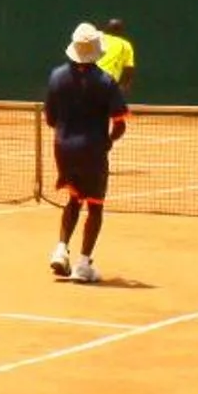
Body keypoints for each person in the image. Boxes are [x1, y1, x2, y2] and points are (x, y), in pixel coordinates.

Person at [44, 22, 127, 285]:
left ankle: (60, 249)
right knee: (95, 206)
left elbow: (50, 119)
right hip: (93, 150)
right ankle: (83, 264)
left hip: (64, 149)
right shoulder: (106, 82)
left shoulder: (56, 77)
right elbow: (120, 123)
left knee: (74, 200)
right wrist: (108, 141)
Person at [97, 18, 137, 97]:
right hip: (108, 81)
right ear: (121, 31)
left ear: (106, 28)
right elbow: (129, 69)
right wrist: (125, 86)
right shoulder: (125, 45)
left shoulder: (97, 38)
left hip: (90, 77)